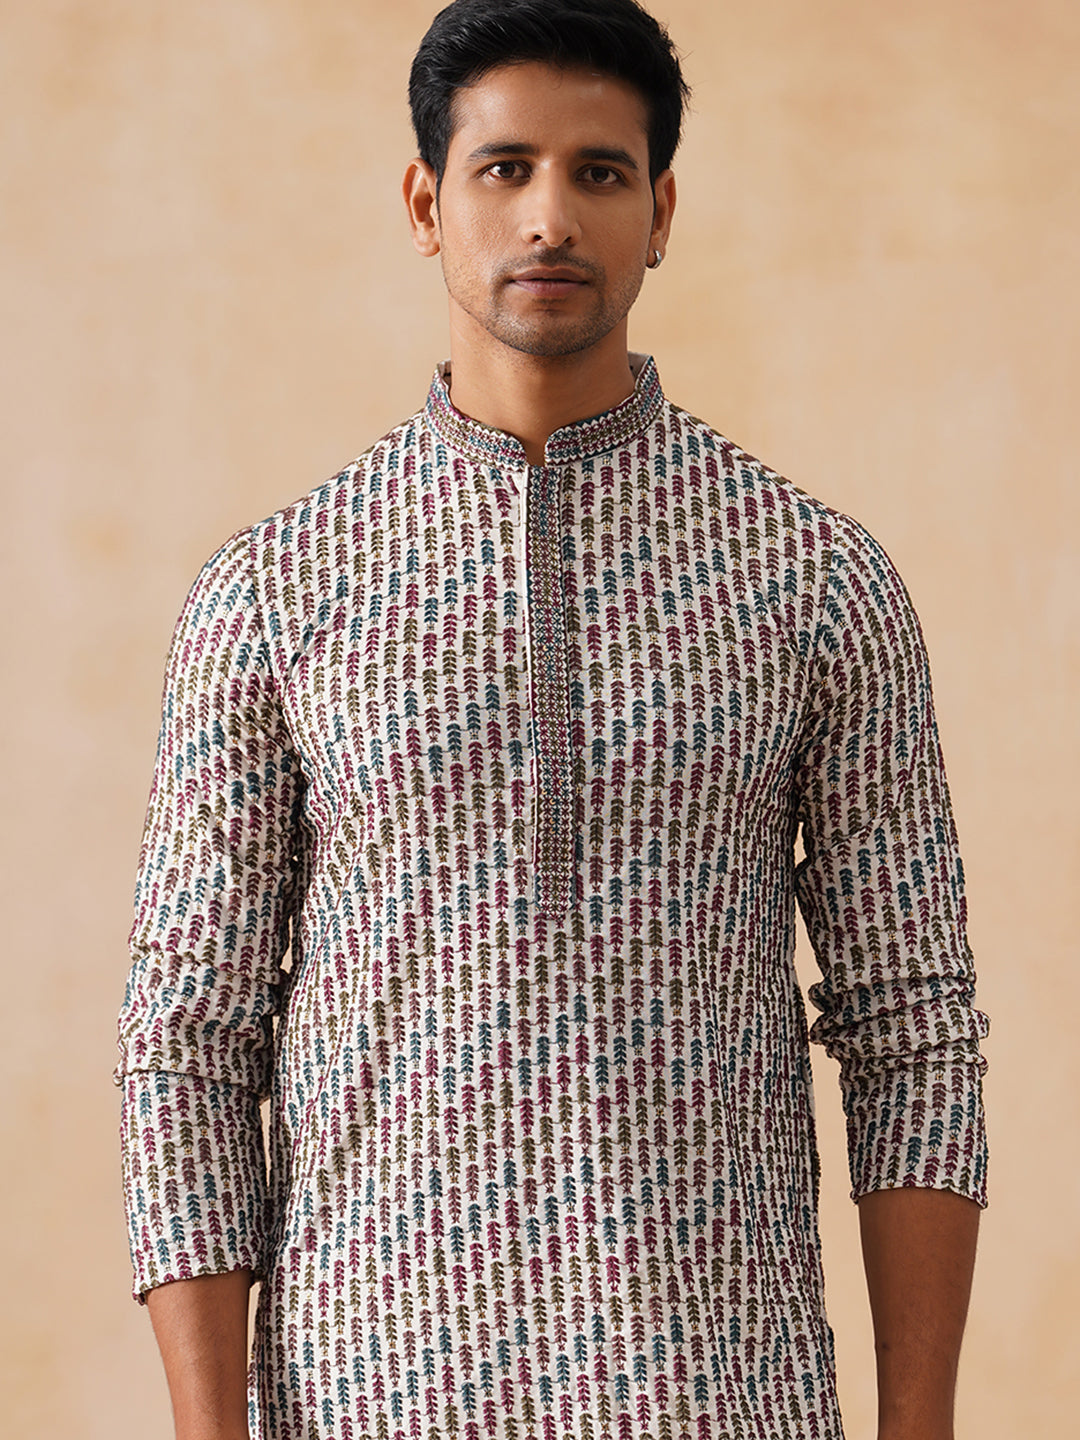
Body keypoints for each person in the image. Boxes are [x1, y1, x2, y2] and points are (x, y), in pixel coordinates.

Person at [114, 2, 989, 1437]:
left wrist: (921, 1426)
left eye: (599, 173)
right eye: (505, 167)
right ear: (426, 203)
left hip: (719, 1395)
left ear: (660, 214)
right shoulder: (278, 590)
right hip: (370, 1396)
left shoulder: (812, 580)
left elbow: (913, 1028)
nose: (550, 217)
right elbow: (188, 1043)